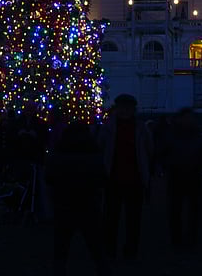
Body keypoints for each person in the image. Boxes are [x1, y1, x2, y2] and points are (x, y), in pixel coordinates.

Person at [46, 122, 110, 276]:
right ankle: (102, 268)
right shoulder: (94, 155)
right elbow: (102, 178)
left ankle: (59, 269)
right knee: (95, 242)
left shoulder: (58, 154)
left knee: (62, 242)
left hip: (64, 204)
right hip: (89, 204)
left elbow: (49, 177)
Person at [99, 94, 151, 262]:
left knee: (132, 219)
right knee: (112, 218)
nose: (125, 110)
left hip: (134, 179)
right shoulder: (109, 127)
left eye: (127, 107)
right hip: (113, 178)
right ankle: (111, 250)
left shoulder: (140, 127)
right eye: (122, 106)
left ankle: (128, 251)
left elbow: (149, 149)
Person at [165, 107, 202, 248]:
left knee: (192, 210)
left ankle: (190, 238)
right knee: (176, 210)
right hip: (177, 175)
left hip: (192, 175)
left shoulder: (192, 134)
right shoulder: (176, 134)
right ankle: (178, 239)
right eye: (187, 118)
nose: (189, 120)